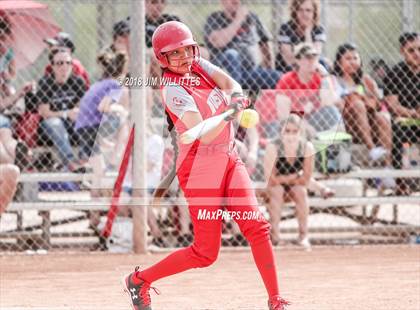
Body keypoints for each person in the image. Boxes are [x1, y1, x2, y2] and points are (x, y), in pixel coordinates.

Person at [122, 21, 289, 310]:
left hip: (229, 157)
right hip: (200, 170)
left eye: (187, 49)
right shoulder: (172, 89)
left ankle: (276, 301)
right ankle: (139, 280)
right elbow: (204, 131)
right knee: (205, 253)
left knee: (257, 227)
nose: (184, 57)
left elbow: (230, 82)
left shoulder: (197, 64)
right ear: (162, 59)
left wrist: (236, 96)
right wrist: (230, 112)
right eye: (175, 54)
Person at [75, 50, 129, 196]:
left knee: (98, 173)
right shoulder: (116, 85)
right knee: (124, 118)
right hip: (91, 128)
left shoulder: (100, 83)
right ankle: (115, 158)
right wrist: (121, 109)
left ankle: (94, 216)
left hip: (85, 127)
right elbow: (103, 107)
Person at [332, 43, 393, 164]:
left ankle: (387, 166)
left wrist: (363, 98)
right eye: (348, 58)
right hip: (348, 125)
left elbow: (379, 104)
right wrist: (354, 99)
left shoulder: (366, 80)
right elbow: (336, 104)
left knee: (382, 118)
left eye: (355, 58)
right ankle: (371, 149)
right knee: (357, 104)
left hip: (369, 123)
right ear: (339, 62)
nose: (352, 62)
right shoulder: (334, 80)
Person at [204, 0, 281, 91]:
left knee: (279, 77)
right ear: (223, 2)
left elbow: (265, 45)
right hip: (226, 73)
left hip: (250, 72)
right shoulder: (215, 18)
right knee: (231, 54)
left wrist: (269, 69)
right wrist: (238, 20)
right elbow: (218, 42)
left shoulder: (252, 18)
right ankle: (235, 96)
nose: (236, 1)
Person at [263, 114, 314, 250]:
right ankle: (275, 237)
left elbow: (306, 179)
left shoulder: (306, 147)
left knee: (300, 191)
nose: (291, 135)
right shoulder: (273, 147)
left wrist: (290, 179)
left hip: (295, 187)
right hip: (274, 189)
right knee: (277, 190)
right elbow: (271, 179)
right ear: (281, 132)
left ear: (300, 132)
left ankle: (303, 236)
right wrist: (295, 176)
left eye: (295, 131)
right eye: (287, 131)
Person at [276, 42, 342, 137]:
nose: (311, 61)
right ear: (298, 61)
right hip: (295, 123)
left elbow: (328, 103)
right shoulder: (287, 80)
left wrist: (325, 76)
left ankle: (327, 142)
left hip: (316, 120)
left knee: (331, 111)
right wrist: (304, 126)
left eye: (314, 57)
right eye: (307, 58)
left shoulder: (321, 77)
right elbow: (283, 115)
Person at [37, 48, 86, 172]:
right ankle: (70, 162)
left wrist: (77, 111)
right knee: (55, 123)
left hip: (71, 125)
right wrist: (66, 113)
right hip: (50, 128)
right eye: (59, 63)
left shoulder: (77, 81)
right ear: (52, 66)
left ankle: (85, 160)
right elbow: (44, 113)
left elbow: (82, 106)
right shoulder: (46, 83)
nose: (64, 67)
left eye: (68, 63)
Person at [383, 32, 419, 195]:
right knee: (397, 131)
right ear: (402, 51)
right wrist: (412, 113)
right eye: (411, 50)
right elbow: (392, 104)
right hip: (404, 121)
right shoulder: (395, 73)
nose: (417, 54)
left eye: (419, 49)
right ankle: (401, 183)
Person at [275, 0, 327, 73]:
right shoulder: (285, 28)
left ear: (314, 13)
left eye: (308, 10)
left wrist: (307, 33)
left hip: (311, 69)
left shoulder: (318, 29)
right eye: (300, 10)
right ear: (295, 11)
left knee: (323, 63)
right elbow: (289, 60)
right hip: (287, 69)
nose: (304, 14)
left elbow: (313, 56)